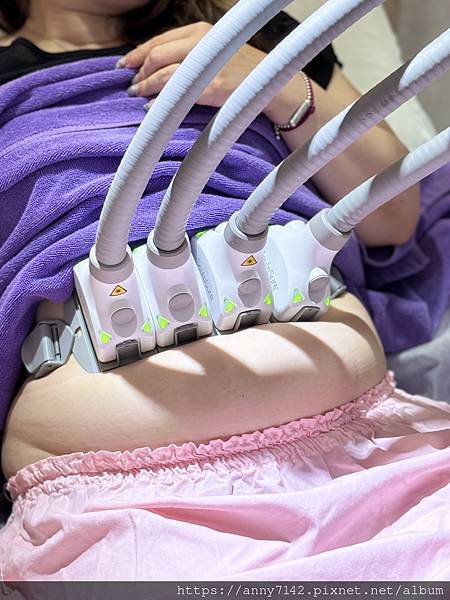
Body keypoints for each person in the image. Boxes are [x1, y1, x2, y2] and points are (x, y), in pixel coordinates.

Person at [0, 0, 449, 581]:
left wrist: (274, 85)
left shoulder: (262, 31)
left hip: (379, 464)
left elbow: (392, 217)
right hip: (122, 509)